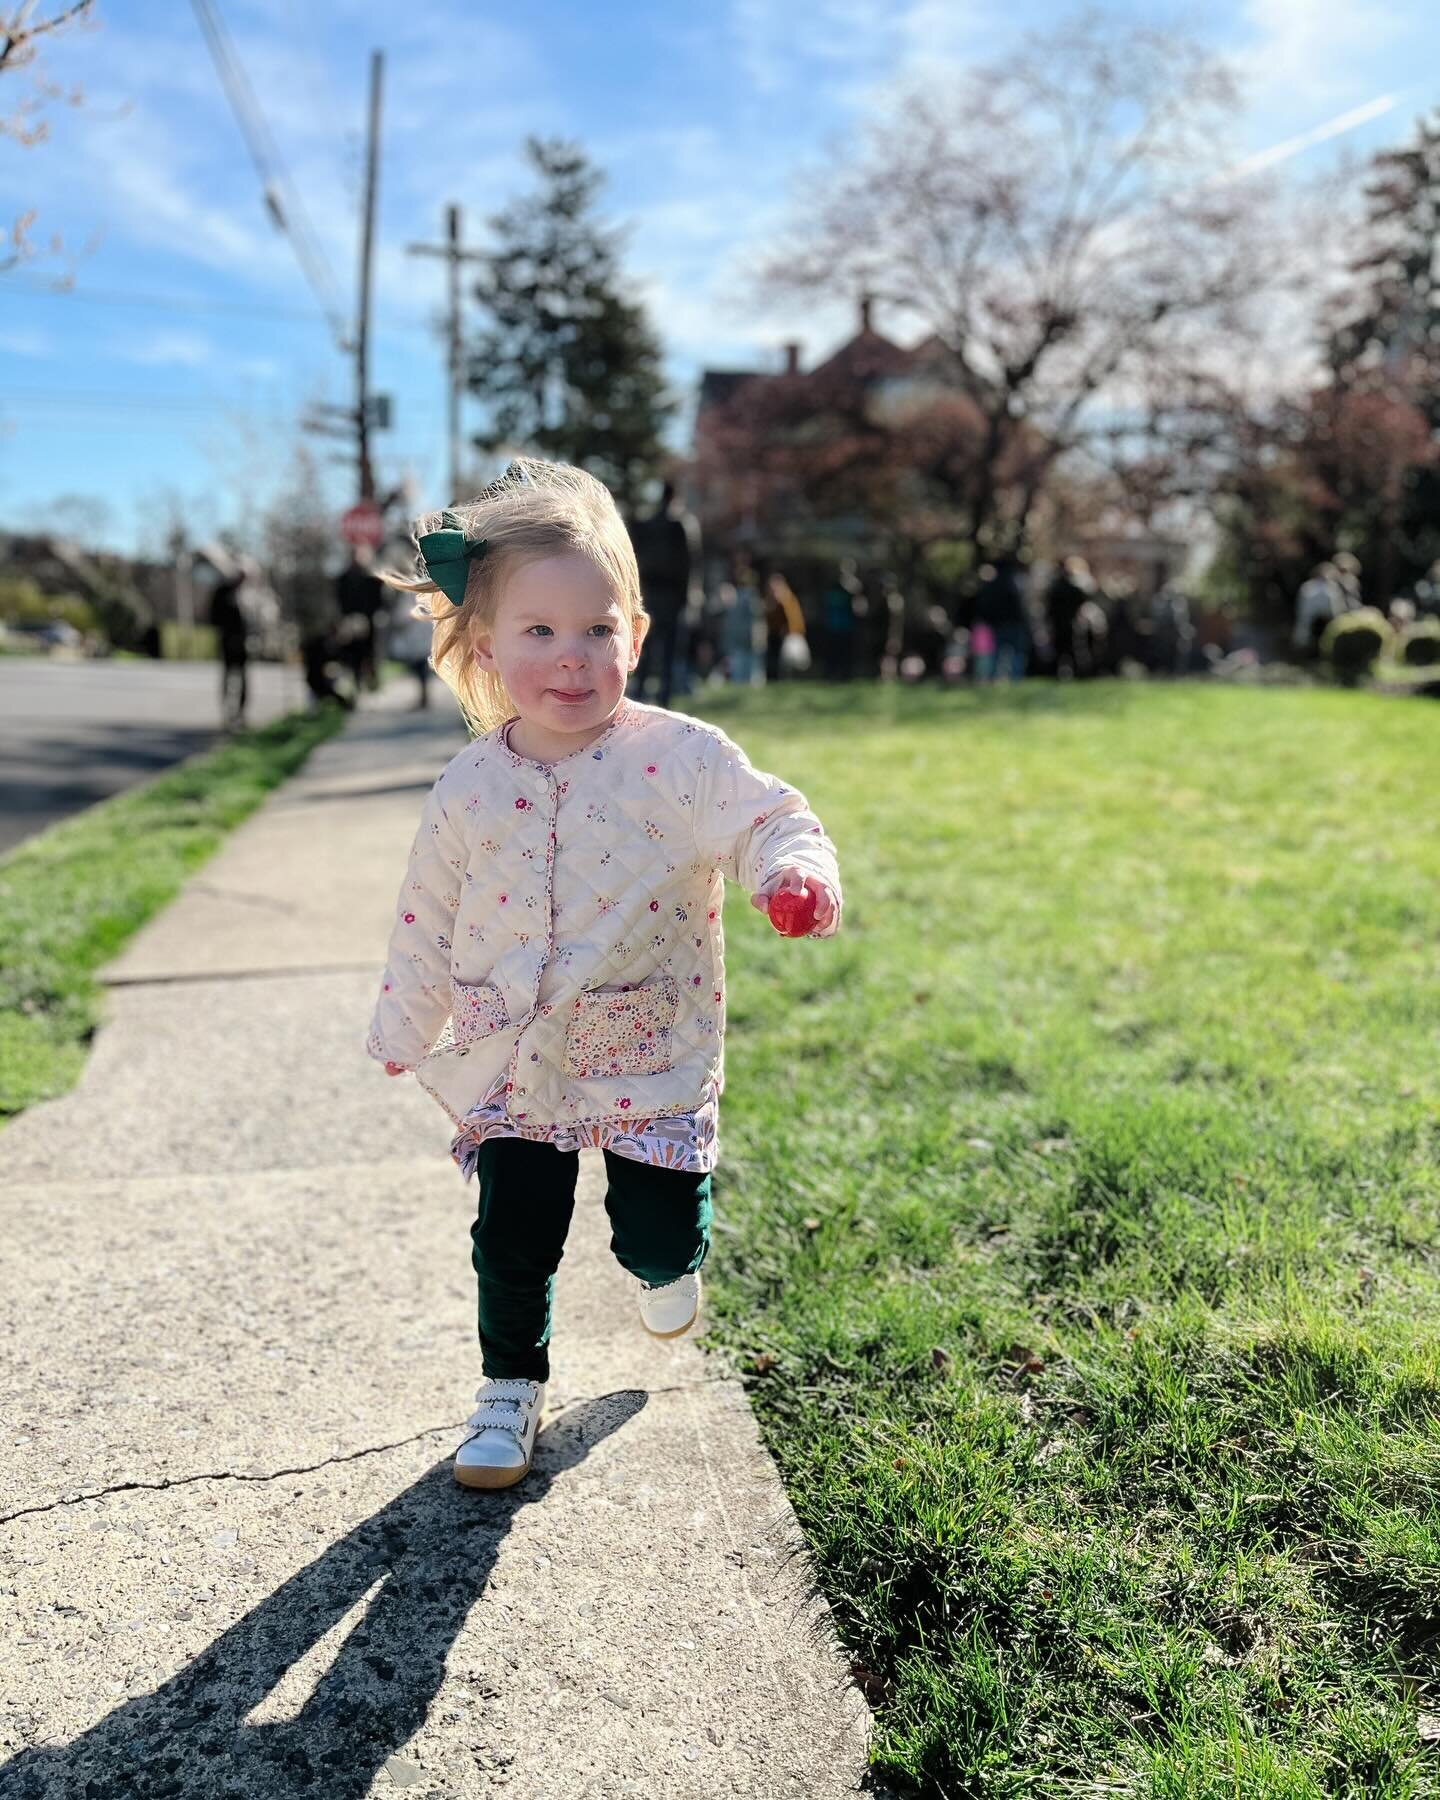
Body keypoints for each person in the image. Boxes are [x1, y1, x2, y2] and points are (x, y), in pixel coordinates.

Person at [367, 459, 843, 1491]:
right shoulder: (469, 786)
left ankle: (669, 1268)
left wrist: (791, 871)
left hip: (646, 1041)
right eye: (539, 632)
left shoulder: (677, 759)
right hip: (516, 1052)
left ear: (633, 635)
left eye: (596, 630)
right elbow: (427, 912)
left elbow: (769, 816)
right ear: (488, 648)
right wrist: (406, 1021)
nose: (570, 658)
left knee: (656, 1230)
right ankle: (507, 1386)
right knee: (513, 1231)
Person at [628, 481, 700, 709]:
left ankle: (639, 697)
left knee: (645, 651)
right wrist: (691, 597)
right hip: (672, 597)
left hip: (648, 595)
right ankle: (662, 702)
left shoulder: (647, 524)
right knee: (668, 653)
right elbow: (691, 564)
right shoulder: (681, 524)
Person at [973, 553, 1031, 682]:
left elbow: (985, 607)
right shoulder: (1015, 584)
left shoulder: (991, 585)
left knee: (997, 654)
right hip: (1014, 624)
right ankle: (1015, 678)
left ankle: (993, 678)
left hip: (998, 624)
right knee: (1016, 653)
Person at [208, 570, 249, 730]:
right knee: (228, 678)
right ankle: (227, 713)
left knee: (243, 681)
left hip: (243, 645)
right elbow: (214, 617)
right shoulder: (223, 592)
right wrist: (227, 634)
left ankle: (240, 713)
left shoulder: (247, 594)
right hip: (228, 643)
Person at [387, 589, 434, 710]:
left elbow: (402, 616)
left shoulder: (409, 594)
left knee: (421, 667)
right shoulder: (416, 592)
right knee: (421, 667)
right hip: (420, 634)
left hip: (418, 635)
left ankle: (424, 696)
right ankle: (423, 695)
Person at [763, 571, 808, 681]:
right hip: (776, 636)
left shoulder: (787, 599)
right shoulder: (773, 600)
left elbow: (794, 621)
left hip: (788, 637)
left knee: (789, 665)